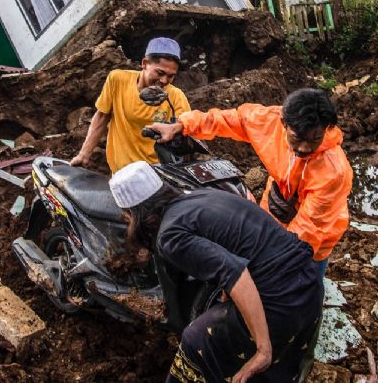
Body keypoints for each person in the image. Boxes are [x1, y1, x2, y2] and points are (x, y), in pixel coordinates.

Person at [108, 161, 323, 383]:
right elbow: (243, 250)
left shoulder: (169, 236)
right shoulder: (199, 196)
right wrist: (227, 288)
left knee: (194, 340)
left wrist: (263, 349)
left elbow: (235, 272)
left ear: (133, 214)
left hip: (282, 301)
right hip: (310, 286)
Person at [145, 88, 352, 277]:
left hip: (314, 240)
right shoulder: (268, 121)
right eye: (297, 139)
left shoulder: (333, 172)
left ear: (326, 129)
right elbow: (231, 119)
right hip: (275, 209)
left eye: (314, 139)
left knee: (303, 284)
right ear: (284, 124)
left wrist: (270, 262)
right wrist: (182, 125)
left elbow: (308, 233)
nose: (305, 148)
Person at [71, 37, 191, 172]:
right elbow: (102, 117)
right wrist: (84, 154)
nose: (164, 80)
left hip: (156, 173)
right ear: (145, 63)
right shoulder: (118, 80)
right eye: (160, 73)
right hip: (122, 172)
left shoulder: (176, 96)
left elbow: (187, 128)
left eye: (170, 76)